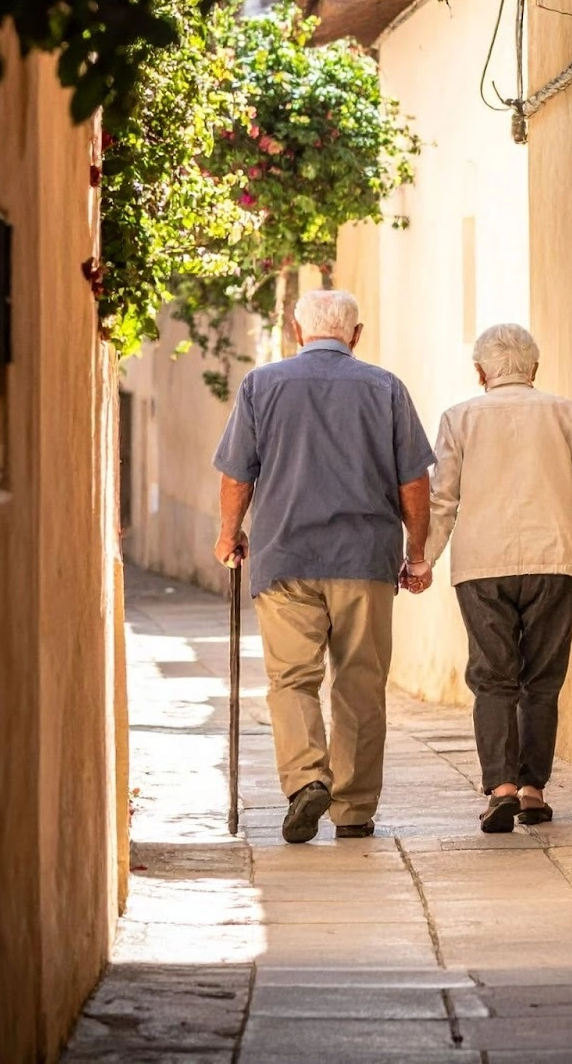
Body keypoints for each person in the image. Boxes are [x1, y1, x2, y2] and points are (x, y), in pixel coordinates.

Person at [212, 289, 435, 843]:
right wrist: (416, 552)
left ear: (296, 330)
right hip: (365, 558)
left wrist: (228, 535)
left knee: (291, 680)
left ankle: (307, 778)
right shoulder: (385, 388)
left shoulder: (261, 386)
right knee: (360, 683)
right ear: (355, 336)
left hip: (284, 558)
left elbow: (238, 474)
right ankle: (354, 808)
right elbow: (414, 482)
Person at [426, 323, 572, 833]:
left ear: (481, 372)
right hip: (555, 562)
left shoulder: (458, 419)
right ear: (535, 369)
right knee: (542, 680)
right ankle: (533, 791)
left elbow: (442, 498)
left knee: (493, 677)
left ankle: (501, 786)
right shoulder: (566, 413)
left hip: (482, 566)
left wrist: (421, 559)